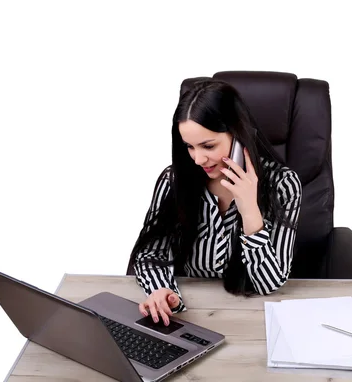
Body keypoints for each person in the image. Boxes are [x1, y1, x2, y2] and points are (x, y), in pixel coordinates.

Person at [128, 80, 302, 326]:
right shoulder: (174, 180)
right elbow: (150, 254)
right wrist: (161, 291)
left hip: (254, 318)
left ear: (238, 136)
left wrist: (250, 210)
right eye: (189, 146)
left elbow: (268, 284)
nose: (198, 159)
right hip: (188, 317)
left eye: (208, 146)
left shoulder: (283, 185)